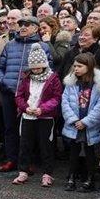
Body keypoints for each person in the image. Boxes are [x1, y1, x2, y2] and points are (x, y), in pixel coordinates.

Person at [0, 15, 52, 172]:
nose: (23, 27)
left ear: (35, 28)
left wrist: (32, 86)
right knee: (9, 128)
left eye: (27, 24)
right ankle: (11, 159)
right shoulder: (10, 45)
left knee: (29, 130)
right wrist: (4, 81)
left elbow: (48, 71)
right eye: (21, 24)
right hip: (9, 92)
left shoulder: (43, 46)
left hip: (30, 95)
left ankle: (27, 162)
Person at [11, 44, 62, 186]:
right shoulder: (27, 78)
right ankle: (23, 171)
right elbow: (19, 96)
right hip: (28, 116)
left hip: (45, 116)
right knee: (25, 145)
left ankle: (47, 173)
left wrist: (42, 109)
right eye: (33, 68)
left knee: (46, 146)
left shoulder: (53, 78)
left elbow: (56, 98)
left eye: (39, 68)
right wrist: (25, 108)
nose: (36, 70)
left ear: (44, 66)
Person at [61, 53, 100, 193]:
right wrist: (73, 120)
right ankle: (71, 177)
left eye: (80, 66)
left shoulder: (99, 84)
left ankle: (90, 180)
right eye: (75, 66)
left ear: (89, 66)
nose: (76, 69)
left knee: (91, 153)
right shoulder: (71, 83)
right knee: (73, 152)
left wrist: (86, 121)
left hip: (90, 125)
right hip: (75, 124)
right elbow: (65, 102)